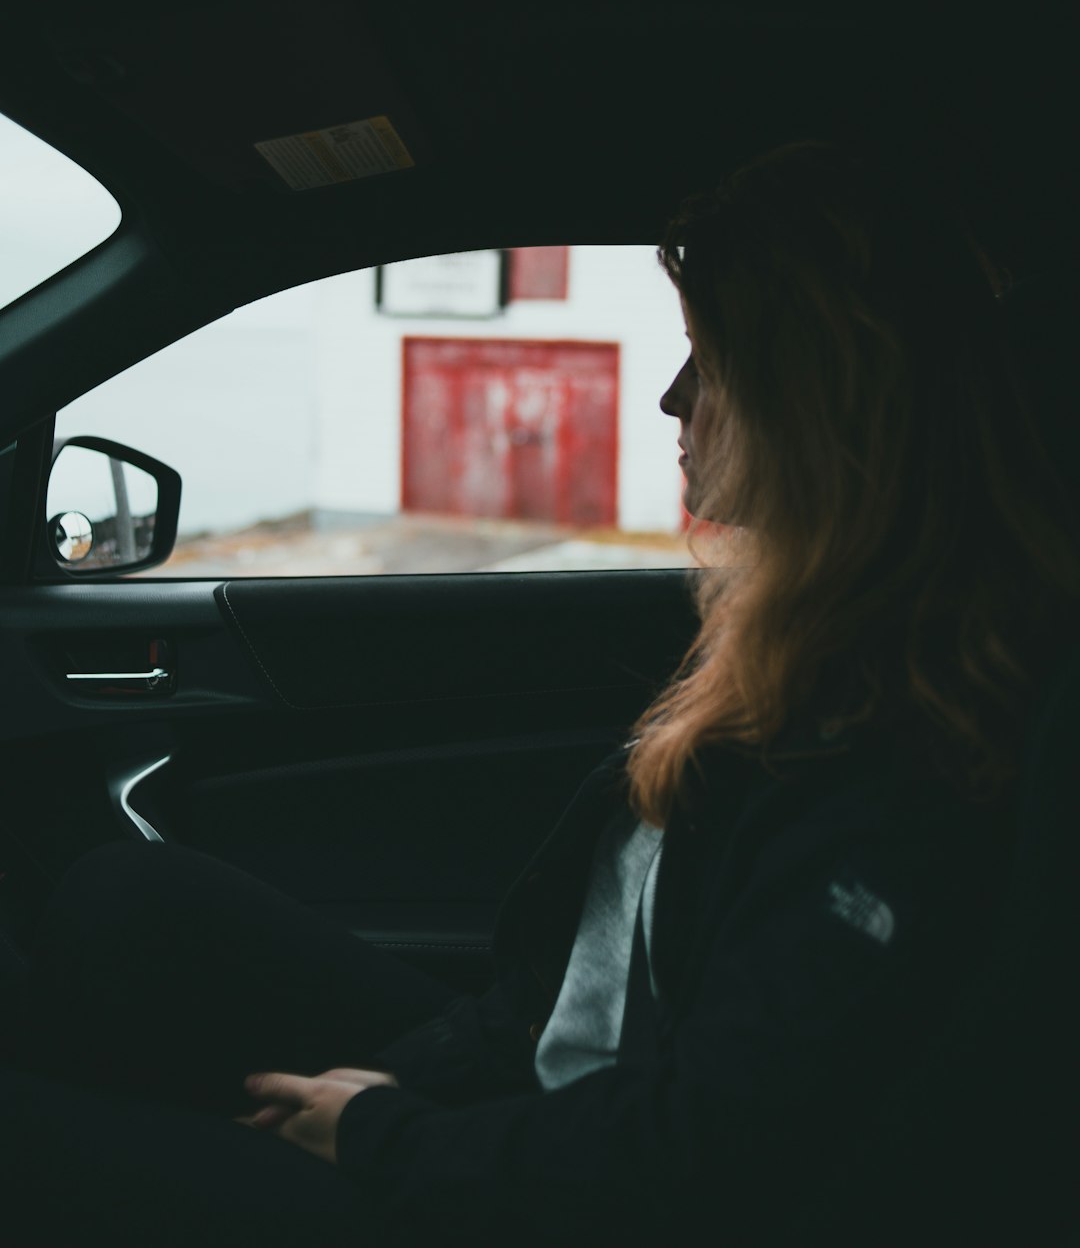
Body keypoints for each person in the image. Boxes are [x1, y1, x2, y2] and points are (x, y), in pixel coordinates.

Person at [2, 140, 1077, 1247]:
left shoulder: (922, 735)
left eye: (708, 360)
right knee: (128, 903)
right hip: (553, 1097)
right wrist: (390, 1082)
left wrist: (382, 1131)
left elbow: (706, 1155)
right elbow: (561, 991)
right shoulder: (806, 641)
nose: (670, 396)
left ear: (819, 399)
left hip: (580, 1190)